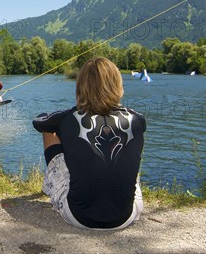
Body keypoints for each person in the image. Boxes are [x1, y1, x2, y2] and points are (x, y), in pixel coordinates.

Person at [33, 57, 146, 230]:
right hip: (125, 216)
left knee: (49, 130)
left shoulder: (69, 118)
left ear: (81, 87)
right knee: (130, 147)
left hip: (78, 216)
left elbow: (39, 122)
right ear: (117, 84)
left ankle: (57, 187)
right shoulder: (137, 119)